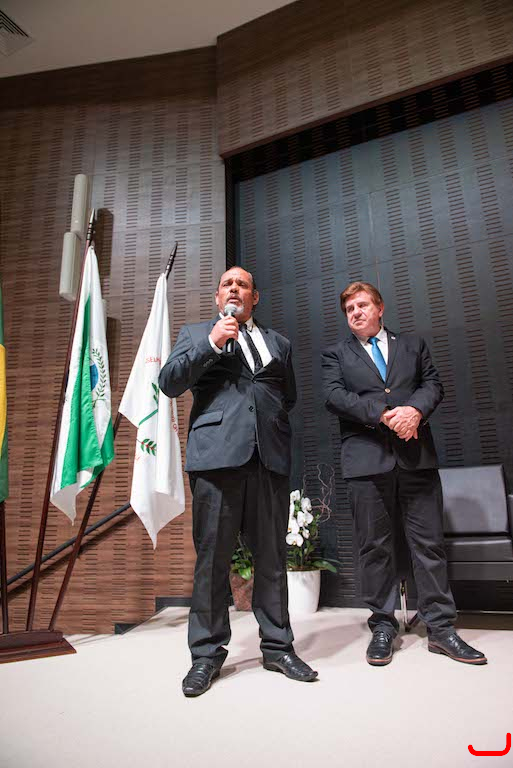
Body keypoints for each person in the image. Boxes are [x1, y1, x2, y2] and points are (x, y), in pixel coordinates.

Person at [159, 266, 318, 696]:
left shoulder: (278, 343)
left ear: (255, 296)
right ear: (218, 298)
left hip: (269, 459)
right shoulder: (196, 334)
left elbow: (287, 396)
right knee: (212, 561)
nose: (234, 288)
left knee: (272, 559)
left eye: (243, 284)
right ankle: (206, 655)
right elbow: (169, 382)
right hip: (216, 460)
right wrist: (213, 343)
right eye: (227, 284)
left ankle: (278, 647)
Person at [321, 281, 486, 666]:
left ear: (380, 308)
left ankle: (441, 629)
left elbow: (433, 384)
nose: (356, 313)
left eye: (362, 305)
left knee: (429, 545)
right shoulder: (336, 354)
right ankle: (383, 627)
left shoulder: (412, 345)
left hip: (416, 458)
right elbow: (333, 396)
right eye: (349, 309)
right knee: (374, 547)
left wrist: (414, 411)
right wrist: (383, 415)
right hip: (366, 461)